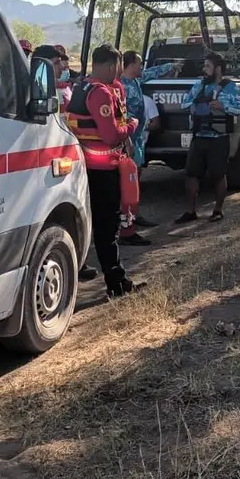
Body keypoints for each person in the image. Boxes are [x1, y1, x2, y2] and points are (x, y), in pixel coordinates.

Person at [65, 45, 144, 298]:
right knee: (107, 228)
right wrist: (133, 125)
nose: (119, 73)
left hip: (88, 168)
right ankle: (116, 283)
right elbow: (111, 135)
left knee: (103, 225)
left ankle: (114, 277)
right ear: (111, 65)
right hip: (101, 172)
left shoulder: (83, 87)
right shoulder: (99, 93)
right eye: (118, 67)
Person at [174, 53, 240, 224]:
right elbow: (184, 103)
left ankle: (218, 210)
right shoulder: (199, 85)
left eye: (207, 66)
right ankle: (190, 211)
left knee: (218, 175)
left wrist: (224, 106)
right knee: (191, 174)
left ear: (218, 69)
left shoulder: (230, 88)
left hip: (219, 138)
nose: (204, 69)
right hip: (199, 137)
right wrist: (194, 105)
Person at [117, 51, 180, 245]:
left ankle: (134, 215)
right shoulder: (121, 86)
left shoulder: (137, 80)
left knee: (137, 178)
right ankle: (125, 225)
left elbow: (152, 72)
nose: (141, 68)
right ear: (130, 65)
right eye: (138, 63)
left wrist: (171, 66)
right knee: (126, 183)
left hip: (138, 140)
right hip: (127, 141)